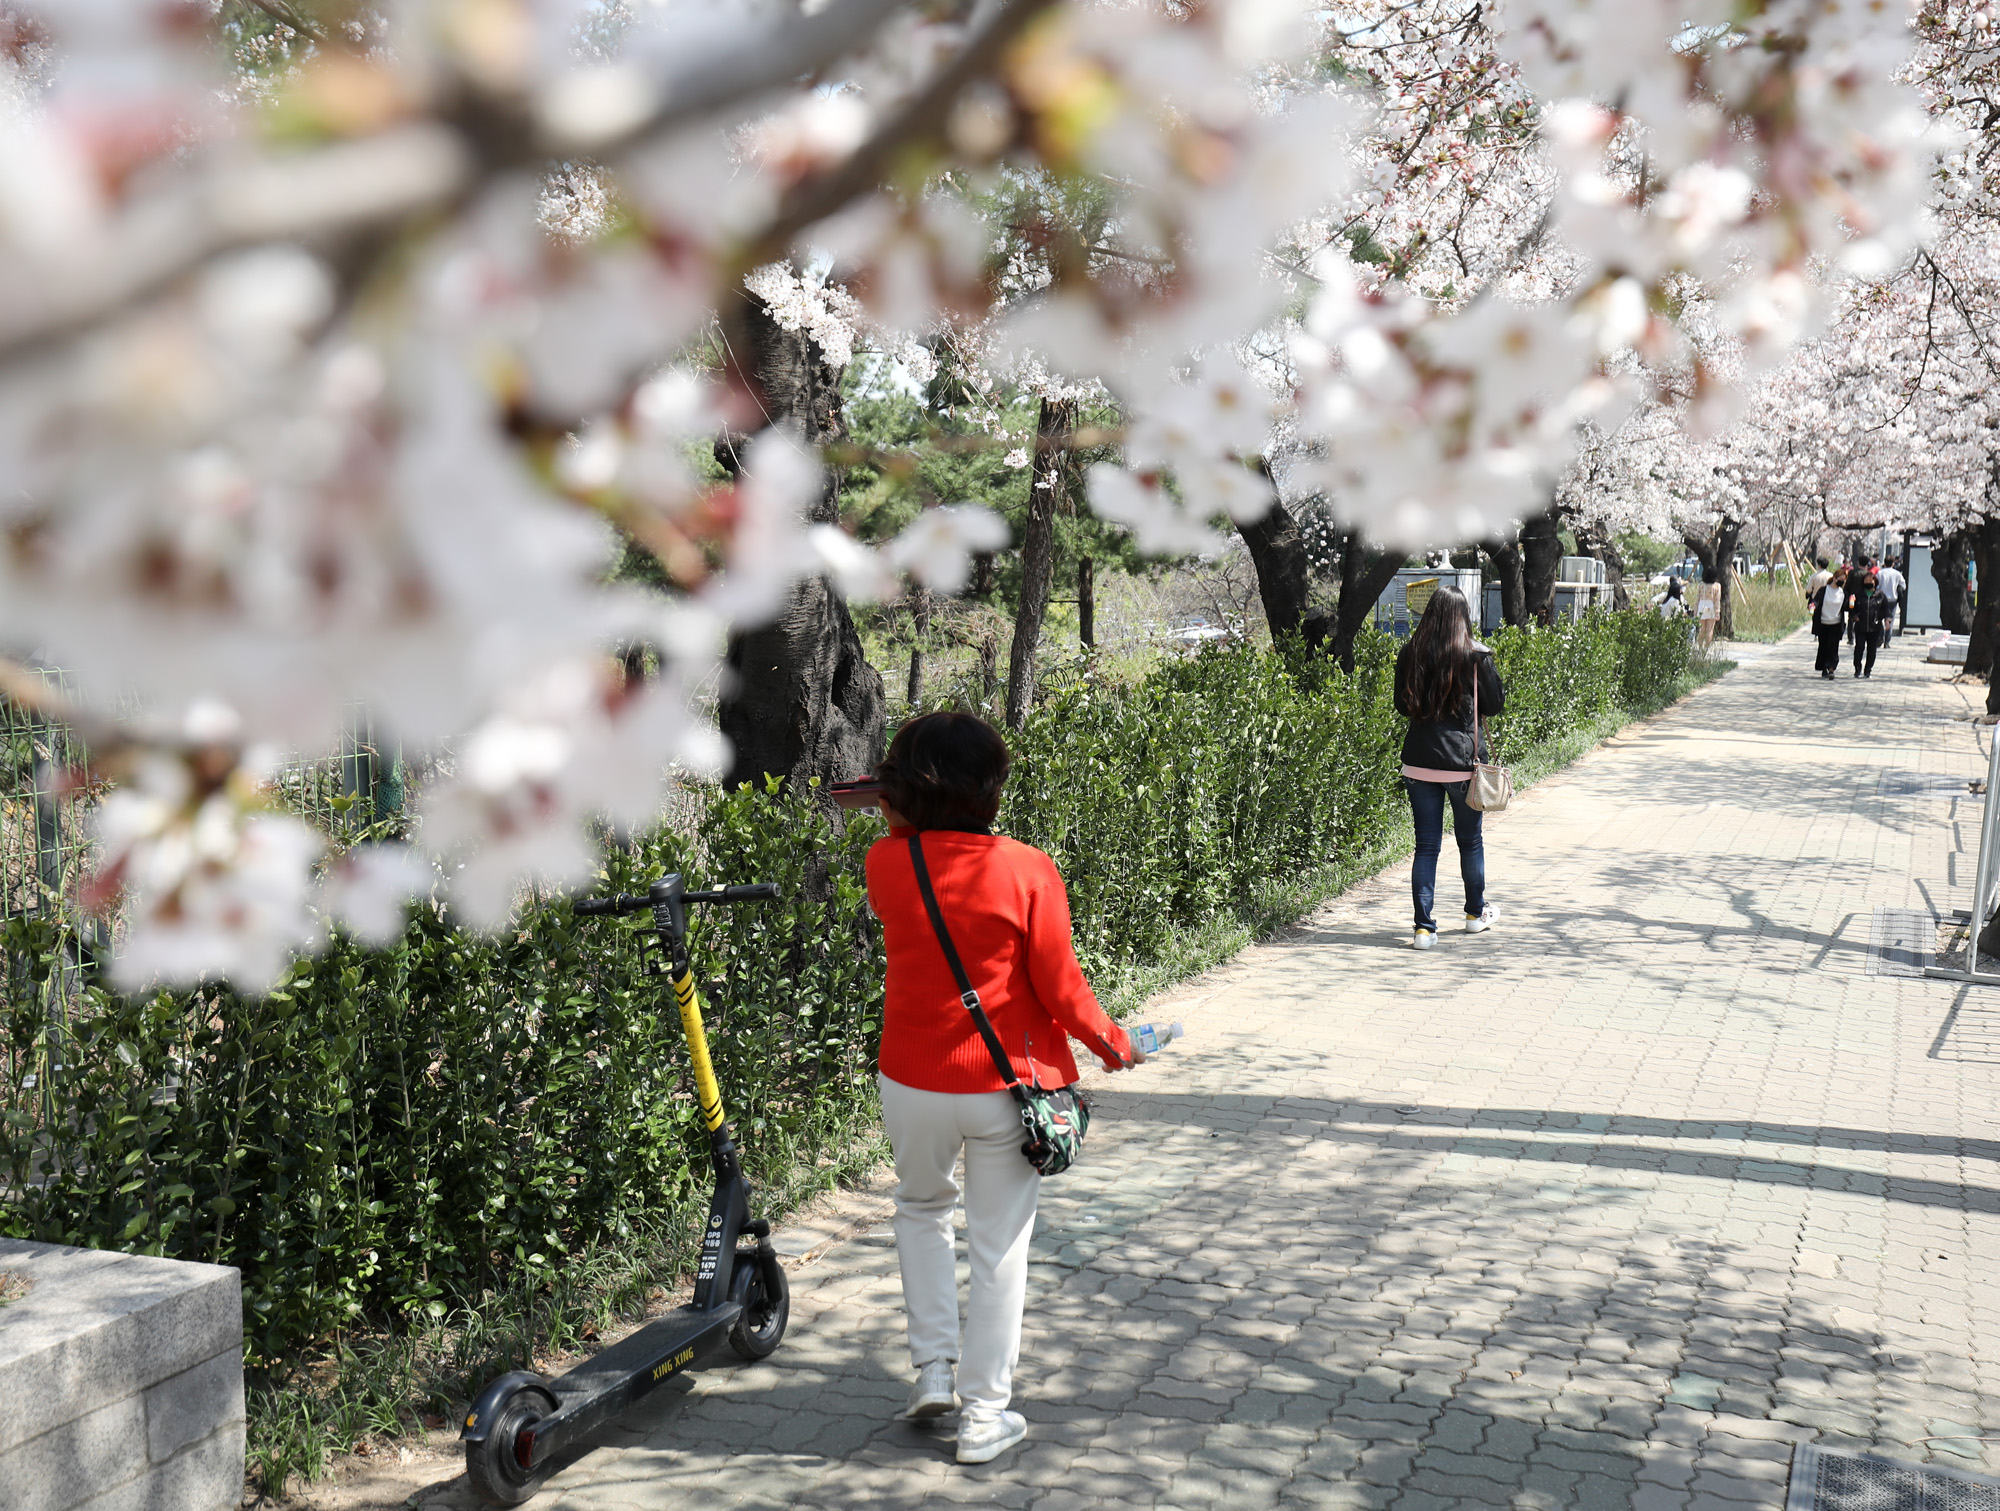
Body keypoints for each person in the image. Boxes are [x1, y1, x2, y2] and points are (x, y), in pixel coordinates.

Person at [863, 711, 1138, 1465]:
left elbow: (905, 858)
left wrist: (895, 817)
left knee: (920, 1210)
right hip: (1001, 1088)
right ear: (986, 788)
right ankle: (984, 1415)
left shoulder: (885, 864)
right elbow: (1060, 988)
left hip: (910, 1081)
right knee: (998, 1248)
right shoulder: (1028, 868)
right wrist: (1113, 1044)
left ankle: (930, 1368)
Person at [1393, 585, 1503, 949]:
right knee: (1469, 841)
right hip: (1462, 766)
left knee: (1426, 846)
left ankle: (1424, 929)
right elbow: (1495, 704)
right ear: (1464, 616)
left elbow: (1401, 704)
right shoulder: (1475, 656)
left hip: (1419, 763)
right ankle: (1475, 914)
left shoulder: (1410, 653)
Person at [1849, 566, 1889, 678]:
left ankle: (1868, 670)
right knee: (1859, 647)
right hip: (1860, 626)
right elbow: (1851, 608)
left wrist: (1887, 620)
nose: (1868, 583)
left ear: (1875, 582)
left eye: (1870, 581)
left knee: (1872, 650)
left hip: (1875, 626)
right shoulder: (1857, 594)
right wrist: (1854, 616)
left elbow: (1886, 609)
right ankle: (1857, 668)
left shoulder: (1880, 595)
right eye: (1866, 581)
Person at [1811, 566, 1847, 679]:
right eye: (1840, 579)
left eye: (1844, 580)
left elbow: (1847, 606)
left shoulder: (1843, 592)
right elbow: (1816, 601)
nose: (1842, 582)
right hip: (1823, 623)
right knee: (1823, 646)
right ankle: (1824, 668)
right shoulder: (1824, 590)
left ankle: (1831, 668)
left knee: (1833, 646)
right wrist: (1812, 605)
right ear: (1835, 578)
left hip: (1836, 623)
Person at [1876, 554, 1906, 635]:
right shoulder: (1897, 574)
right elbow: (1903, 585)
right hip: (1893, 598)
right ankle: (1887, 641)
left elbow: (1876, 586)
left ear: (1884, 563)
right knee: (1890, 620)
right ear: (1893, 564)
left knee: (1879, 619)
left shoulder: (1880, 573)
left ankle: (1881, 635)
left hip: (1881, 598)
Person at [1694, 570, 1722, 648]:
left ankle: (1699, 647)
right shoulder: (1717, 586)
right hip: (1711, 605)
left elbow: (1697, 598)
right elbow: (1717, 600)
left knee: (1701, 629)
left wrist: (1695, 610)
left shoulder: (1701, 585)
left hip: (1701, 605)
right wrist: (1717, 612)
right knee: (1710, 630)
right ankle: (1706, 649)